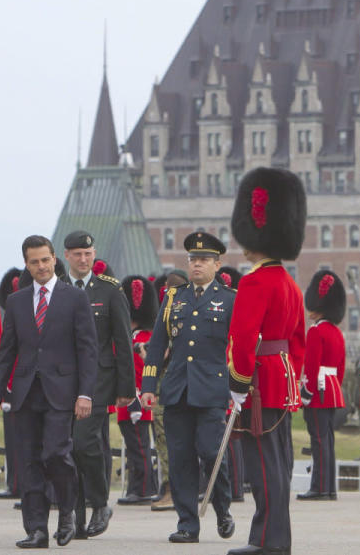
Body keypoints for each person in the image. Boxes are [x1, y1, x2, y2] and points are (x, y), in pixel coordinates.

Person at [0, 235, 98, 548]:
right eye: (34, 262)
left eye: (45, 260)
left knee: (55, 454)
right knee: (29, 462)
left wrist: (85, 393)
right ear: (27, 264)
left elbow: (88, 350)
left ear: (54, 260)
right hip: (24, 392)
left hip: (62, 393)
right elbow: (6, 352)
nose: (41, 267)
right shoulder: (17, 301)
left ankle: (67, 512)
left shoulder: (74, 298)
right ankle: (36, 529)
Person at [226, 167, 306, 555]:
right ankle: (265, 536)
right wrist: (291, 377)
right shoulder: (289, 282)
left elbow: (242, 338)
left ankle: (271, 542)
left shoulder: (256, 282)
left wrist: (239, 382)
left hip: (258, 381)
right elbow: (298, 342)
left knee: (264, 466)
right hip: (282, 378)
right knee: (277, 464)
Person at [139, 231, 236, 544]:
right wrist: (149, 384)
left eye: (204, 260)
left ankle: (222, 507)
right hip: (177, 389)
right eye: (193, 259)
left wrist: (238, 386)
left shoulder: (229, 299)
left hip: (211, 390)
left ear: (217, 264)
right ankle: (187, 525)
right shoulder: (173, 298)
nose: (197, 265)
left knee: (210, 452)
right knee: (180, 460)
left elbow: (238, 347)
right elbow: (157, 345)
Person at [61, 231, 134, 539]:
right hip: (62, 381)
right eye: (77, 254)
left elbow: (122, 341)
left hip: (99, 382)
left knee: (84, 442)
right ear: (66, 256)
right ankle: (75, 517)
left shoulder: (109, 290)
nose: (83, 259)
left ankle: (100, 503)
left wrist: (126, 387)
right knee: (67, 449)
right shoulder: (58, 289)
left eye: (88, 254)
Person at [297, 270, 346, 501]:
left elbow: (312, 365)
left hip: (318, 390)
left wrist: (305, 393)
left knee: (318, 440)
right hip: (332, 389)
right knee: (327, 440)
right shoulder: (337, 332)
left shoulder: (316, 331)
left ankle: (319, 487)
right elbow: (341, 368)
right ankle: (329, 488)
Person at [150, 267, 189, 513]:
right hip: (173, 382)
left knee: (166, 439)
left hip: (173, 382)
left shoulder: (178, 314)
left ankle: (171, 489)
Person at [118, 275, 158, 505]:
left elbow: (142, 370)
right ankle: (138, 485)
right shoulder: (129, 336)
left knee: (140, 447)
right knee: (135, 447)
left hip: (139, 400)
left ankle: (143, 488)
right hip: (127, 400)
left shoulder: (145, 338)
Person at [218, 266, 246, 504]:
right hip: (222, 374)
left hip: (229, 375)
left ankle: (236, 487)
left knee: (232, 436)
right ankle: (234, 486)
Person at [0, 267, 23, 502]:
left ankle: (21, 484)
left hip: (21, 389)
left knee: (23, 443)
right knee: (12, 442)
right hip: (11, 391)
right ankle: (15, 483)